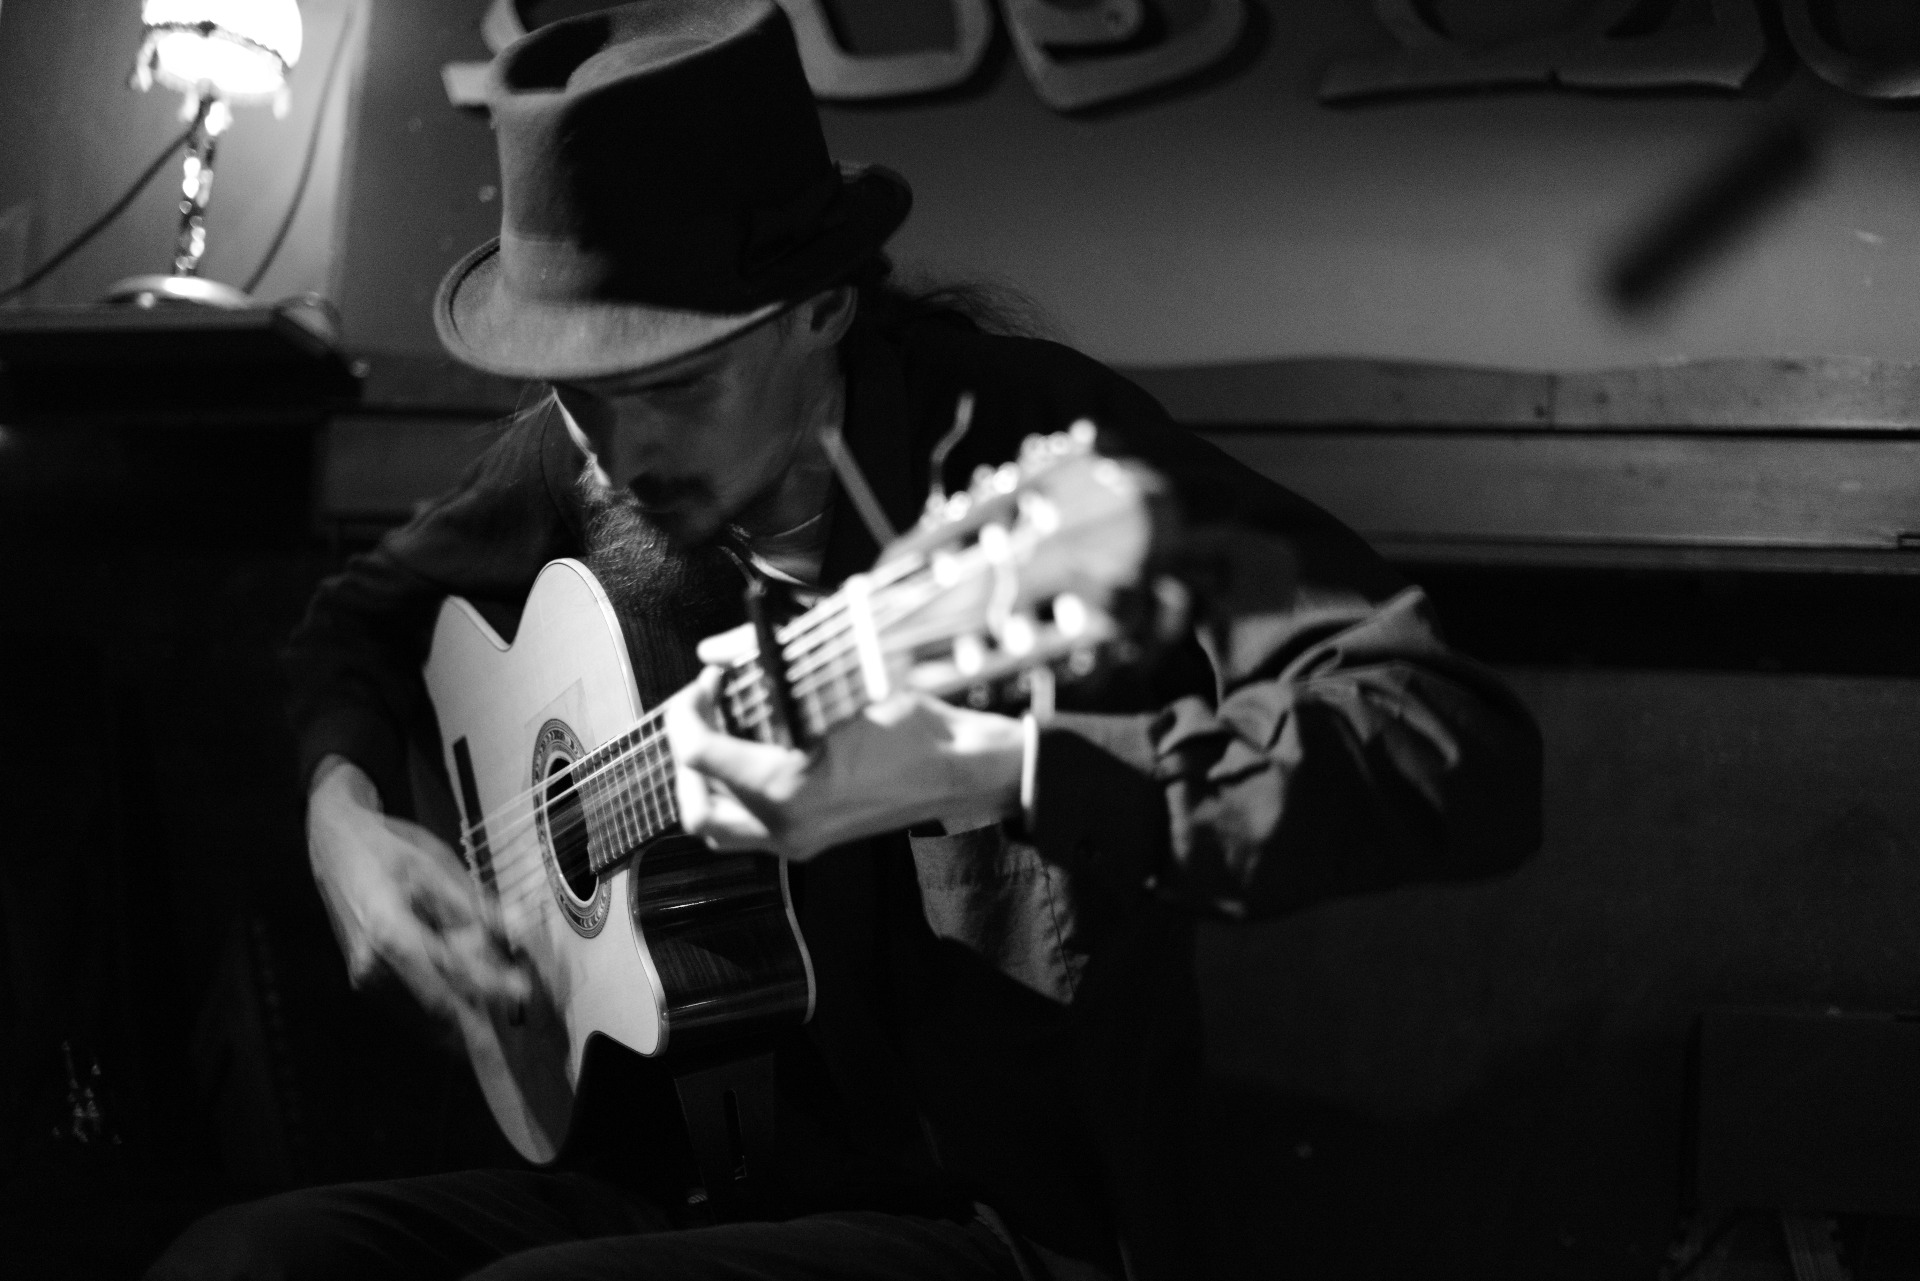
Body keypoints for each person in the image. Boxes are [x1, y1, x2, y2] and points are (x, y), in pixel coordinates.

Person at [147, 2, 1542, 1279]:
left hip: (994, 1216)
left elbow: (1451, 742)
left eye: (672, 384)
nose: (615, 453)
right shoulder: (578, 459)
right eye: (577, 396)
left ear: (820, 308)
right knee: (242, 1264)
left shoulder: (1043, 460)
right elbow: (356, 628)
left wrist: (1006, 767)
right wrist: (344, 819)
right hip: (665, 1178)